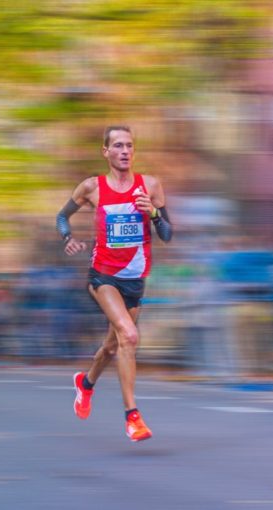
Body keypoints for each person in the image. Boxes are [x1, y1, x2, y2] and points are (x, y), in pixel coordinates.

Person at [56, 125, 173, 442]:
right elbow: (62, 217)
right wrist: (68, 237)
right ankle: (132, 417)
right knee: (130, 335)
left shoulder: (149, 185)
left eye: (129, 145)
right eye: (118, 145)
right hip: (103, 275)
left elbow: (167, 235)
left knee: (113, 345)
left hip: (135, 279)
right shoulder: (92, 187)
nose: (124, 151)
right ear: (105, 152)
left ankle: (86, 383)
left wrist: (153, 216)